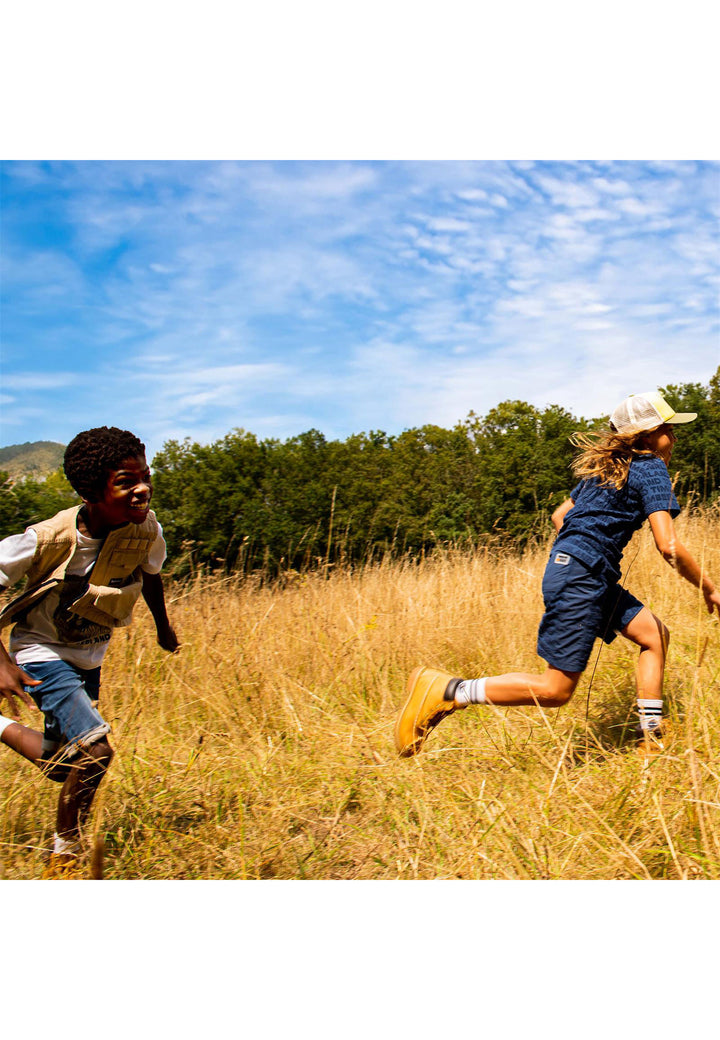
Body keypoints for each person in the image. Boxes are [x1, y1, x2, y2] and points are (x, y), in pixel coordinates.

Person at [395, 390, 720, 760]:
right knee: (555, 690)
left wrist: (581, 550)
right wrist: (709, 589)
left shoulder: (604, 469)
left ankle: (651, 739)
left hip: (579, 572)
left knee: (654, 635)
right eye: (668, 429)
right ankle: (449, 690)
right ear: (647, 435)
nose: (674, 437)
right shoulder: (651, 467)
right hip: (584, 576)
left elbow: (560, 516)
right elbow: (669, 546)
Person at [0, 426, 179, 878]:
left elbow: (151, 574)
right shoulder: (48, 537)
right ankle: (66, 858)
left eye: (145, 475)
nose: (142, 489)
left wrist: (163, 627)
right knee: (95, 754)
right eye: (125, 481)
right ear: (90, 492)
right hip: (39, 652)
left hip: (87, 656)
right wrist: (1, 662)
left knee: (65, 765)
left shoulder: (145, 529)